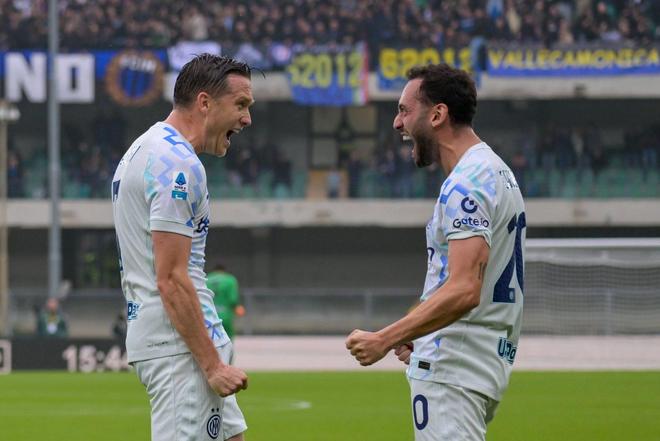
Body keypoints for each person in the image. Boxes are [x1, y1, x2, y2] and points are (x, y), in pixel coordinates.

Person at [346, 64, 526, 441]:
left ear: (438, 114)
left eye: (404, 110)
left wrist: (385, 338)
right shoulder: (496, 171)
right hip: (477, 362)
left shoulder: (465, 185)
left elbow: (464, 289)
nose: (397, 123)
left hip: (453, 367)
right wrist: (418, 328)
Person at [112, 54, 254, 441]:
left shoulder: (146, 148)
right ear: (205, 102)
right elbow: (172, 278)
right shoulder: (176, 164)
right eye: (241, 105)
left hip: (182, 340)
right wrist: (212, 365)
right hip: (180, 347)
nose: (246, 119)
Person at [207, 263, 245, 341]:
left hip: (208, 315)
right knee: (227, 337)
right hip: (225, 314)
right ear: (224, 271)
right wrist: (236, 307)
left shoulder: (206, 279)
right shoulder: (230, 280)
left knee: (210, 337)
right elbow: (233, 299)